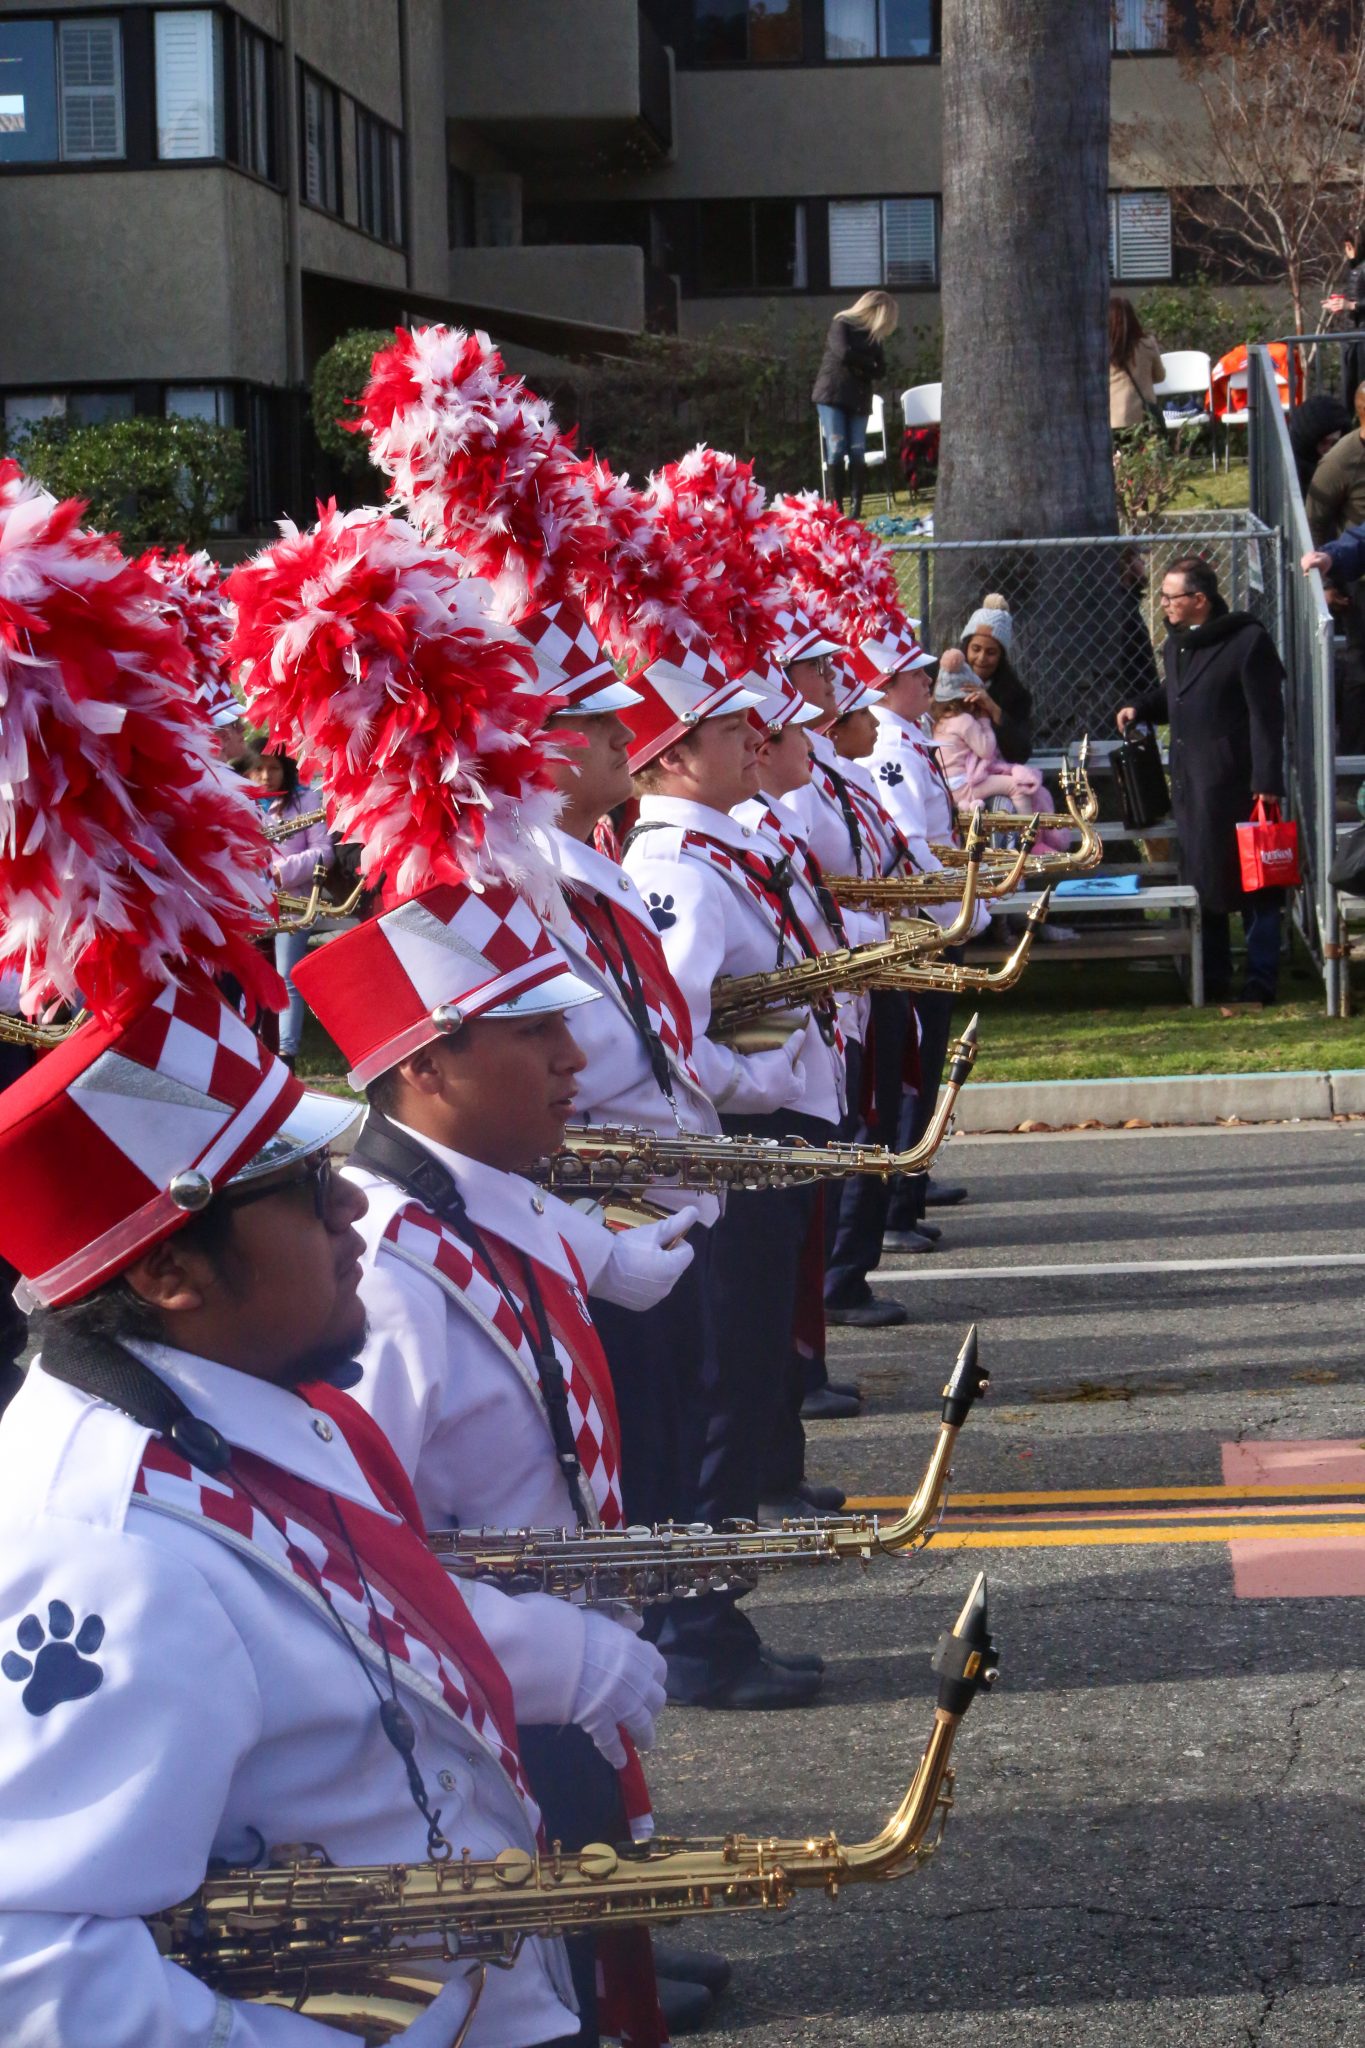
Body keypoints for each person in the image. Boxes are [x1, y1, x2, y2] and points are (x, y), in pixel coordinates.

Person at [622, 637, 843, 1710]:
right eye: (724, 730)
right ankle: (697, 1631)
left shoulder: (717, 853)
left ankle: (714, 1613)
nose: (751, 740)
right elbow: (669, 1035)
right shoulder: (673, 869)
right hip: (733, 1152)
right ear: (668, 758)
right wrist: (774, 1074)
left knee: (744, 1381)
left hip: (761, 1148)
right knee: (719, 1392)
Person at [1117, 555, 1287, 1007]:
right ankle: (1212, 978)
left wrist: (1267, 780)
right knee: (1205, 887)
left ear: (1198, 599)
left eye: (1171, 597)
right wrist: (1141, 707)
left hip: (1240, 787)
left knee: (1257, 886)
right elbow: (1178, 696)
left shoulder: (1248, 641)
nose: (1164, 605)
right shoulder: (1178, 645)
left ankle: (1261, 979)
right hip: (1195, 788)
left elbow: (1267, 716)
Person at [244, 744, 333, 1071]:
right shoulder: (241, 803)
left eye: (274, 769)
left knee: (286, 975)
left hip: (294, 903)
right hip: (250, 905)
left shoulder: (306, 801)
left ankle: (286, 1056)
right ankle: (248, 1049)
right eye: (258, 769)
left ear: (287, 770)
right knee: (247, 975)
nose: (266, 776)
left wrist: (282, 872)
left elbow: (325, 852)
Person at [931, 650, 1068, 843]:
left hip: (949, 786)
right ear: (969, 698)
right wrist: (985, 722)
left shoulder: (941, 721)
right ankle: (1029, 837)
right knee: (1017, 787)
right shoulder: (964, 721)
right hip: (964, 787)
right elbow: (986, 750)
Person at [811, 288, 899, 517]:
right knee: (837, 449)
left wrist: (861, 363)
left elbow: (881, 370)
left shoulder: (873, 336)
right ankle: (836, 507)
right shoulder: (842, 323)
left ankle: (856, 507)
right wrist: (867, 363)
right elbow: (843, 353)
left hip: (859, 397)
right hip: (833, 395)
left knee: (857, 450)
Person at [958, 595, 1034, 762]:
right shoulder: (941, 676)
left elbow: (1021, 754)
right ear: (966, 648)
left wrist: (993, 709)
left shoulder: (1016, 695)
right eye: (975, 649)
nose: (981, 658)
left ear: (1001, 657)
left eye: (991, 652)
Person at [1108, 294, 1165, 435]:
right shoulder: (1147, 344)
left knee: (1117, 456)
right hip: (1144, 417)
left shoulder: (1103, 349)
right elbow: (1160, 376)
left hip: (1113, 419)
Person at [1321, 229, 1365, 403]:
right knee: (1348, 392)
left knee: (1360, 390)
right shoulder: (1355, 269)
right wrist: (1340, 304)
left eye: (1348, 246)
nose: (1346, 252)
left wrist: (1351, 305)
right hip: (1352, 338)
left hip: (1361, 338)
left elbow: (1356, 302)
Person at [1286, 392, 1353, 499]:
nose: (1329, 449)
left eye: (1335, 443)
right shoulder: (1292, 474)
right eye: (1324, 442)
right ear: (1309, 441)